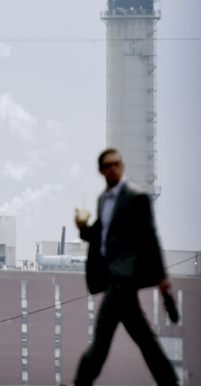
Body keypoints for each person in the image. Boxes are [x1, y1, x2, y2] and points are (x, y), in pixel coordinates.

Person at [73, 148, 177, 386]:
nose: (113, 168)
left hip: (124, 278)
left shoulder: (135, 197)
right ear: (101, 170)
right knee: (144, 338)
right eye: (108, 165)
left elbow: (150, 237)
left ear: (122, 166)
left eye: (117, 164)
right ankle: (170, 381)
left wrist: (162, 277)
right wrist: (82, 228)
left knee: (101, 337)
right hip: (112, 277)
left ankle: (81, 381)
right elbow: (100, 235)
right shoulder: (103, 199)